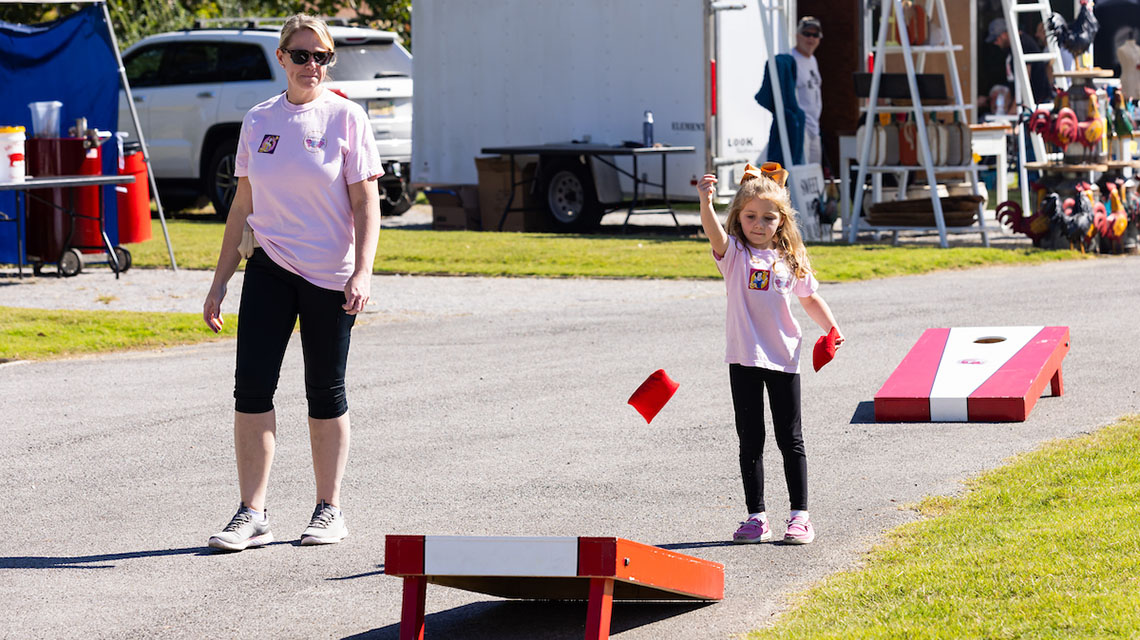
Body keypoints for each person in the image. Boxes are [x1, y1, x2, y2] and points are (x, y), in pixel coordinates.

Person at [202, 14, 383, 552]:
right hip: (269, 266)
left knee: (325, 392)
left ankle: (329, 509)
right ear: (280, 57)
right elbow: (242, 206)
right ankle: (252, 513)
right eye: (301, 55)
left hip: (330, 275)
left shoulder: (347, 118)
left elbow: (365, 202)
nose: (311, 65)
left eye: (321, 56)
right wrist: (218, 284)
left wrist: (363, 269)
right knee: (251, 389)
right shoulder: (258, 121)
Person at [695, 163, 844, 545]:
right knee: (751, 439)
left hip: (784, 358)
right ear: (739, 217)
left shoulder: (790, 255)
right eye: (750, 216)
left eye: (768, 217)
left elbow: (809, 297)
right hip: (744, 358)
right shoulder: (734, 255)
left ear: (781, 220)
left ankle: (800, 517)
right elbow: (714, 232)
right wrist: (705, 201)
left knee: (790, 439)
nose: (758, 224)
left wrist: (831, 327)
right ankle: (756, 517)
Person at [755, 16, 823, 167]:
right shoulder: (790, 60)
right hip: (800, 127)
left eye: (815, 35)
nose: (811, 39)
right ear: (798, 35)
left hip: (814, 128)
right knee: (798, 171)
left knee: (812, 173)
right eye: (807, 34)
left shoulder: (813, 60)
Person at [986, 18, 1051, 108]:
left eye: (996, 39)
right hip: (1025, 104)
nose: (995, 43)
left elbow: (1025, 77)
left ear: (1004, 34)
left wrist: (1015, 108)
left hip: (1036, 105)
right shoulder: (1010, 48)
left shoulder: (1023, 43)